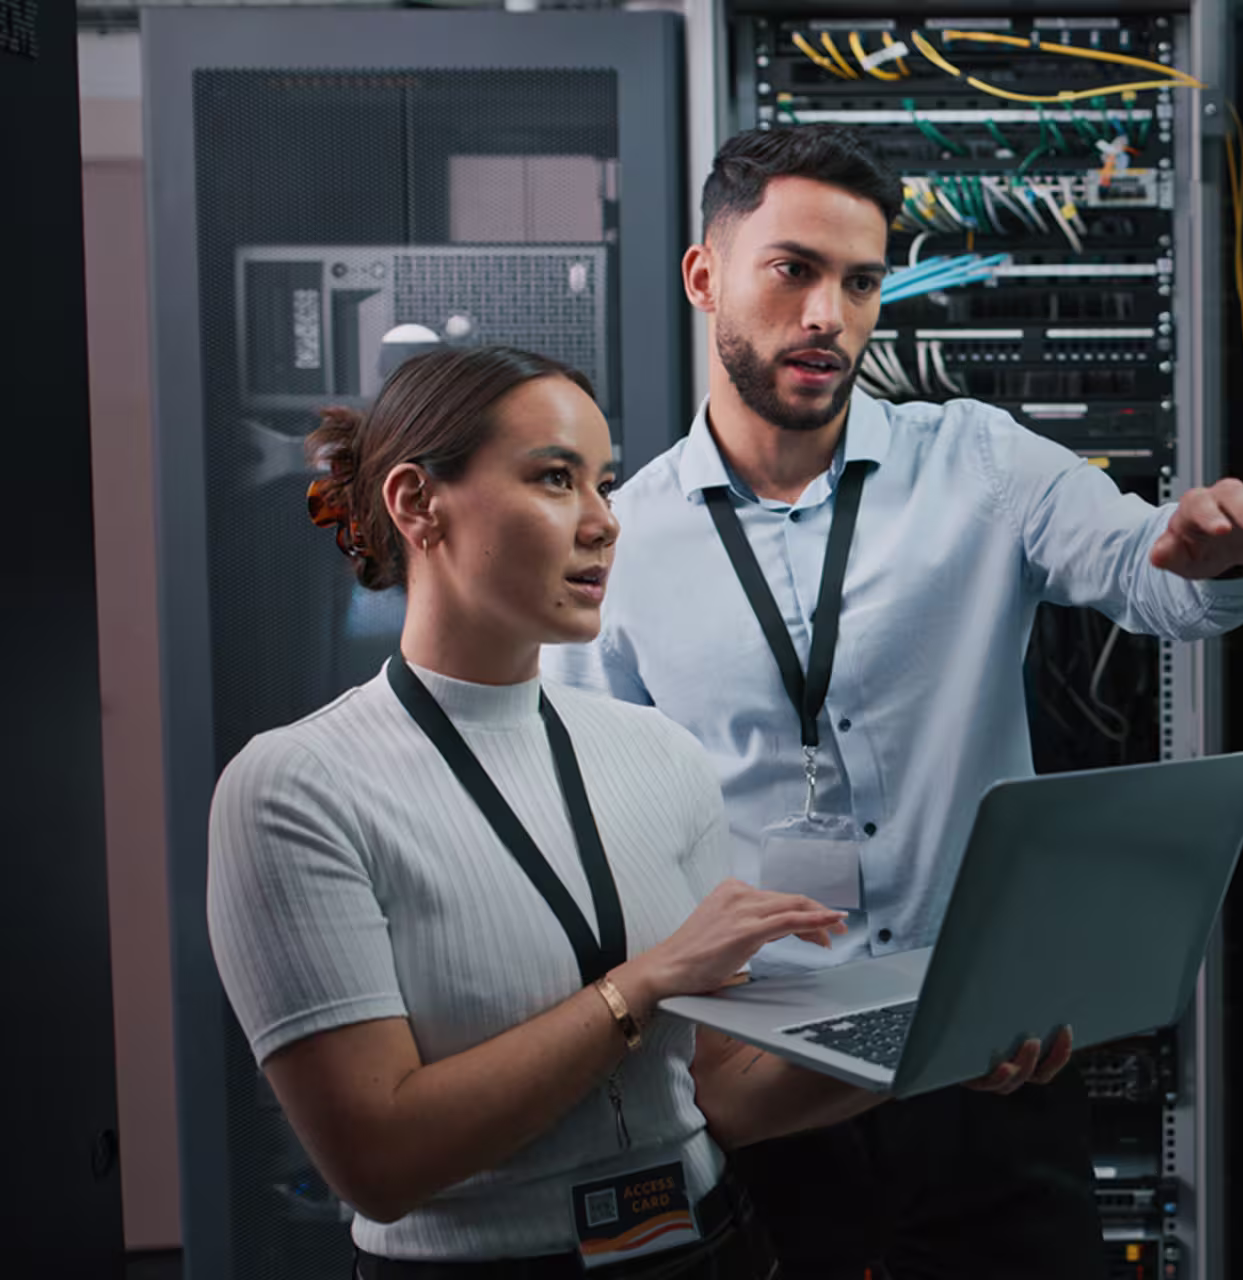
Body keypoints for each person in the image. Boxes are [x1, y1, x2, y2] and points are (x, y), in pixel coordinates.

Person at [544, 126, 1243, 1280]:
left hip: (986, 1058)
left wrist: (1210, 551)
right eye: (793, 269)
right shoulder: (624, 536)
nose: (831, 315)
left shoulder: (979, 462)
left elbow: (1140, 569)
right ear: (706, 277)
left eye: (862, 282)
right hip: (762, 1076)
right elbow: (591, 826)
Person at [206, 344, 1062, 1280]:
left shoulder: (660, 754)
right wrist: (640, 986)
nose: (604, 523)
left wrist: (936, 1044)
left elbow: (723, 1098)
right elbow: (380, 1163)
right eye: (554, 479)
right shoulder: (296, 789)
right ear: (418, 504)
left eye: (604, 484)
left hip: (714, 1245)